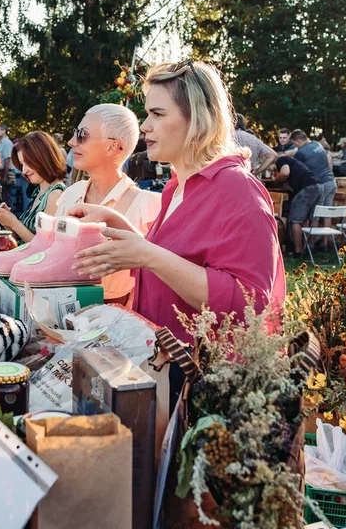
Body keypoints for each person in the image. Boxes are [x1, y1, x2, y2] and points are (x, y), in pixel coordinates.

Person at [70, 61, 284, 393]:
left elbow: (249, 304)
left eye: (157, 114)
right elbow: (179, 258)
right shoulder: (177, 186)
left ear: (197, 120)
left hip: (204, 387)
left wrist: (148, 255)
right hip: (164, 369)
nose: (144, 127)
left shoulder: (237, 189)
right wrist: (120, 225)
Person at [58, 103, 162, 304]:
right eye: (75, 134)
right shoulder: (71, 194)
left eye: (82, 135)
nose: (72, 142)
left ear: (113, 146)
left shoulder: (146, 206)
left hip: (118, 326)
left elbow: (158, 275)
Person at [0, 131, 67, 242]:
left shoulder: (55, 194)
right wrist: (6, 221)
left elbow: (44, 247)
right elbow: (20, 240)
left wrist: (14, 222)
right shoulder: (39, 190)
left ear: (44, 158)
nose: (24, 170)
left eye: (28, 162)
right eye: (22, 164)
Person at [270, 152, 323, 256]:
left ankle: (298, 252)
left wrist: (275, 180)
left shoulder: (281, 159)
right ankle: (309, 247)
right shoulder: (295, 163)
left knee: (295, 220)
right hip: (318, 186)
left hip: (307, 188)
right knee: (312, 218)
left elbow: (285, 173)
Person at [290, 129, 336, 218]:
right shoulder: (317, 144)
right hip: (331, 181)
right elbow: (329, 159)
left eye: (294, 143)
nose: (294, 146)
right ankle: (328, 232)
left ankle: (312, 232)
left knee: (315, 216)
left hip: (320, 184)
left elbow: (295, 171)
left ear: (299, 141)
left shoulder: (301, 152)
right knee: (327, 215)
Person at [0, 123, 18, 210]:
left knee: (6, 198)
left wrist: (5, 175)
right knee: (3, 197)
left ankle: (9, 218)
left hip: (6, 173)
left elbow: (7, 159)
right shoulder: (1, 143)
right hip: (3, 173)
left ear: (4, 131)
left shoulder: (6, 143)